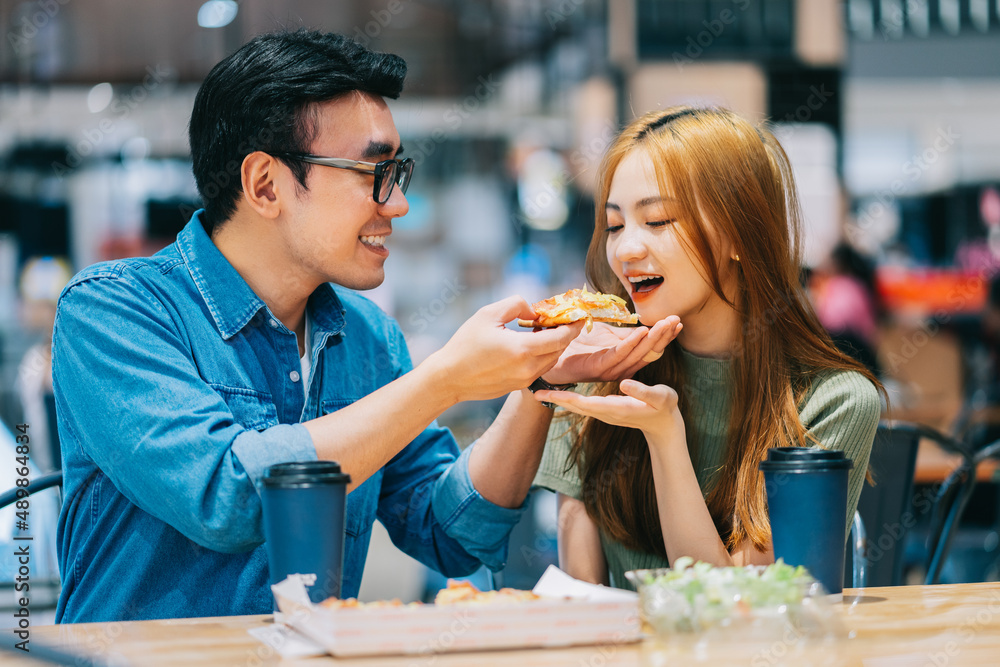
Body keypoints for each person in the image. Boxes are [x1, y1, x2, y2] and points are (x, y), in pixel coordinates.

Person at [51, 31, 677, 623]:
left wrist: (535, 384)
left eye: (397, 174)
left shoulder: (367, 338)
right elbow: (229, 493)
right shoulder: (115, 312)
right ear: (265, 184)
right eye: (374, 173)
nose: (397, 204)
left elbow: (453, 536)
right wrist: (444, 382)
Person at [530, 107, 884, 589]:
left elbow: (742, 612)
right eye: (615, 226)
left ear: (739, 232)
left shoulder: (834, 401)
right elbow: (583, 598)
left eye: (657, 220)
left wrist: (664, 436)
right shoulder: (596, 367)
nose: (626, 250)